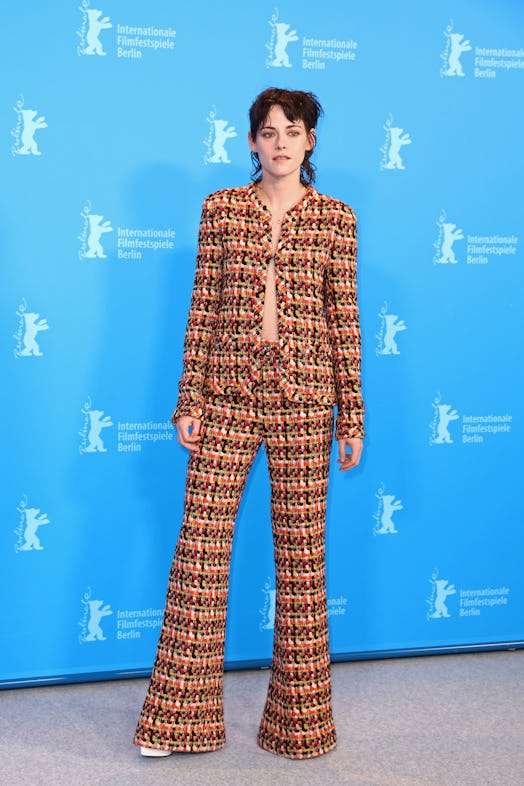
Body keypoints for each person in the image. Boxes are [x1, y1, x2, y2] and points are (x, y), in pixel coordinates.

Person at [133, 87, 365, 761]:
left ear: (310, 141)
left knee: (301, 561)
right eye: (268, 131)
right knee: (199, 552)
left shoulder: (337, 219)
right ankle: (176, 723)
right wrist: (190, 399)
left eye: (293, 130)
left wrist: (350, 414)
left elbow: (344, 323)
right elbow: (202, 308)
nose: (281, 142)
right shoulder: (222, 211)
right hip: (228, 394)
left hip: (303, 399)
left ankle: (301, 727)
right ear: (253, 142)